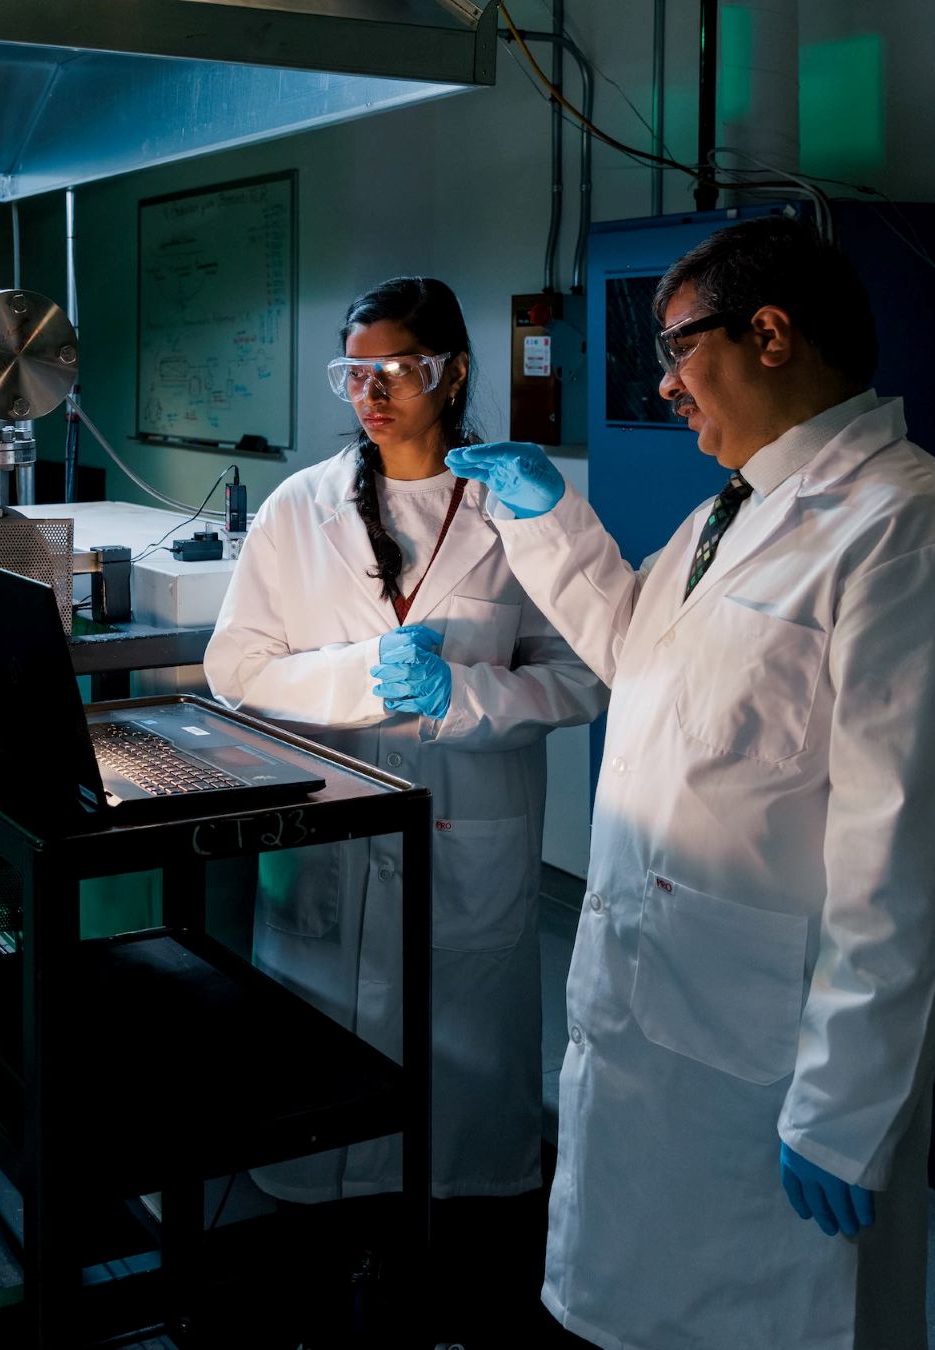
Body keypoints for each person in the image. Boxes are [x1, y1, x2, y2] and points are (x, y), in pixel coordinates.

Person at [446, 216, 935, 1350]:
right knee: (639, 1305)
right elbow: (635, 652)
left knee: (777, 1320)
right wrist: (545, 517)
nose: (665, 387)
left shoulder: (906, 534)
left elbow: (908, 851)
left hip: (769, 1064)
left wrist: (846, 1109)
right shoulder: (735, 511)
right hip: (658, 1010)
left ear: (769, 334)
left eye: (676, 351)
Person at [204, 276, 604, 1333]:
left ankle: (458, 1277)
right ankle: (328, 1271)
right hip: (329, 832)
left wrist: (466, 697)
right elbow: (234, 666)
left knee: (463, 1106)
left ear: (453, 373)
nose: (371, 395)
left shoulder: (520, 513)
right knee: (320, 1099)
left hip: (466, 838)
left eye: (398, 370)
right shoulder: (302, 507)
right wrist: (358, 677)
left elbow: (588, 674)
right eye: (354, 373)